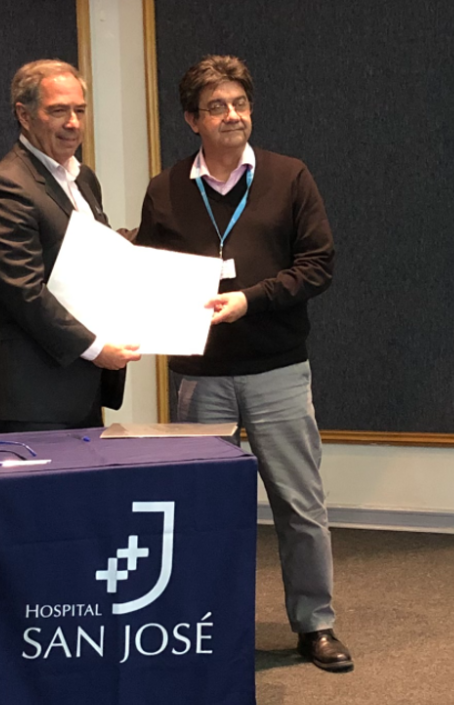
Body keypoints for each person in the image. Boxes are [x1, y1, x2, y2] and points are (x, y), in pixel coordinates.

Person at [135, 55, 352, 672]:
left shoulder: (289, 176)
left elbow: (318, 265)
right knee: (200, 510)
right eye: (217, 107)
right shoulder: (166, 188)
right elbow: (150, 273)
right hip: (200, 376)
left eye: (240, 104)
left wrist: (249, 300)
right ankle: (205, 626)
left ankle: (316, 625)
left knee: (300, 505)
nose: (232, 115)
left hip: (277, 370)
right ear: (192, 120)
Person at [0, 59, 140, 433]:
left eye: (80, 110)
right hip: (36, 397)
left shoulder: (83, 179)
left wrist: (160, 233)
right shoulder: (5, 187)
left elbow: (100, 254)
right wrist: (96, 348)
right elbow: (24, 292)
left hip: (83, 390)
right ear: (24, 115)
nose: (73, 123)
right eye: (59, 111)